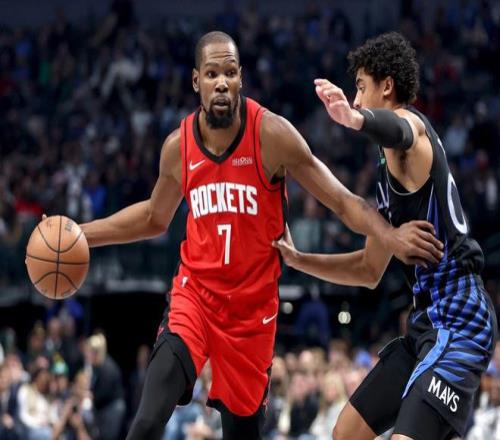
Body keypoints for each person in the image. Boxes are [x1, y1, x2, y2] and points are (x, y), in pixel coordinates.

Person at [76, 31, 442, 440]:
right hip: (195, 300)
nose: (221, 82)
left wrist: (390, 238)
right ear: (196, 81)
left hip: (251, 317)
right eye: (212, 73)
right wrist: (80, 234)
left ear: (241, 79)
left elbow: (342, 201)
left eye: (229, 73)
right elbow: (152, 217)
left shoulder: (271, 134)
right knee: (147, 419)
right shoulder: (178, 146)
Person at [273, 32, 497, 440]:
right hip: (426, 325)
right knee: (346, 433)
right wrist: (299, 259)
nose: (356, 99)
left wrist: (355, 120)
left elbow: (400, 130)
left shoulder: (412, 130)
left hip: (461, 319)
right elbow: (367, 270)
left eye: (361, 87)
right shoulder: (387, 176)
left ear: (387, 86)